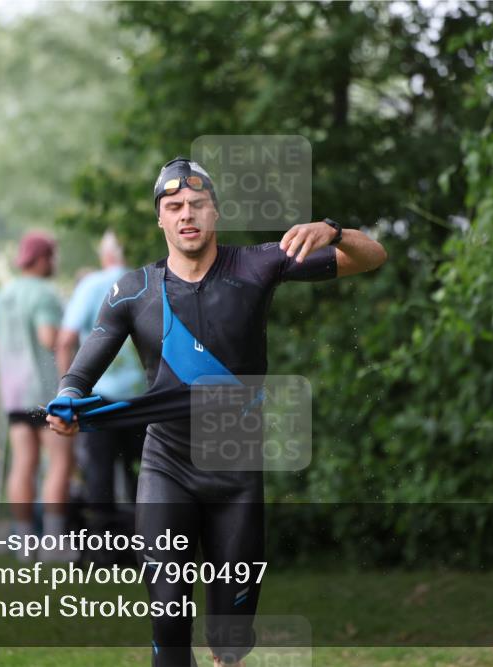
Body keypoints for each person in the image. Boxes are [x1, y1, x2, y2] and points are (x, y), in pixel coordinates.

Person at [47, 157, 386, 666]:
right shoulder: (132, 291)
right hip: (167, 469)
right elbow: (78, 375)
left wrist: (332, 230)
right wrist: (66, 404)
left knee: (229, 642)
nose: (187, 214)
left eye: (197, 205)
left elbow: (373, 256)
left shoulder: (258, 264)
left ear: (215, 214)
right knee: (168, 619)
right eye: (174, 206)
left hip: (236, 475)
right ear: (159, 218)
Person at [56, 232, 147, 557]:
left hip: (98, 397)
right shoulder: (144, 281)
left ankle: (103, 547)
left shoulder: (91, 285)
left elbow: (66, 339)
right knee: (142, 470)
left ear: (104, 255)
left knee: (99, 470)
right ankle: (149, 544)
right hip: (140, 396)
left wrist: (68, 390)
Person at [0, 230, 73, 560]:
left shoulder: (3, 294)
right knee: (61, 462)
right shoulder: (45, 293)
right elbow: (47, 337)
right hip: (45, 392)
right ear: (40, 259)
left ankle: (25, 544)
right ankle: (53, 544)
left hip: (13, 393)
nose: (54, 262)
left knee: (23, 463)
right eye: (51, 255)